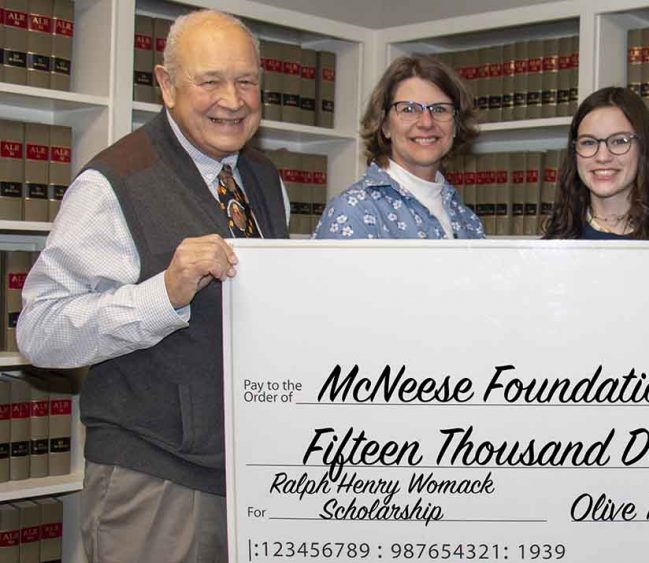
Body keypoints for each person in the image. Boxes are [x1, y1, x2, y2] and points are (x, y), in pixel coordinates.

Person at [16, 10, 288, 562]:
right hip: (153, 480)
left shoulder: (264, 180)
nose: (231, 100)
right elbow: (39, 333)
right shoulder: (111, 183)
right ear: (165, 85)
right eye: (209, 80)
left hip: (248, 474)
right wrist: (163, 293)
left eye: (246, 81)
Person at [313, 55, 483, 239]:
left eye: (439, 109)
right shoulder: (353, 212)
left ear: (456, 125)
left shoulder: (466, 219)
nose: (426, 122)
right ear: (384, 124)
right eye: (408, 109)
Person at [542, 86, 649, 240]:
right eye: (589, 142)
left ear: (643, 148)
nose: (603, 157)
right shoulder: (547, 253)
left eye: (619, 141)